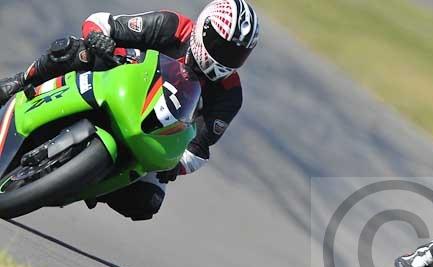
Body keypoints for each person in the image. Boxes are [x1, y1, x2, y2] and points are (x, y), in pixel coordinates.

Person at [0, 0, 260, 220]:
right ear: (203, 28)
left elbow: (198, 151)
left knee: (148, 201)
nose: (224, 58)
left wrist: (175, 166)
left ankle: (85, 180)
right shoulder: (172, 27)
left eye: (236, 55)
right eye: (220, 46)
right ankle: (20, 82)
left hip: (148, 135)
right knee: (74, 50)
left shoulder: (229, 95)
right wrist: (97, 38)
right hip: (113, 78)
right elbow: (102, 22)